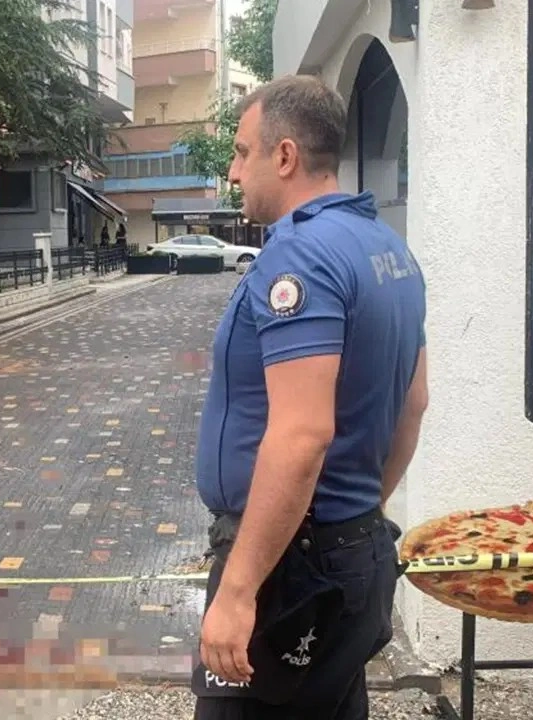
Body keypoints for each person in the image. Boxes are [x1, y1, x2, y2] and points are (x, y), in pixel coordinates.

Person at [191, 75, 428, 719]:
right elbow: (414, 403)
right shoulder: (390, 250)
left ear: (286, 156)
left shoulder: (299, 257)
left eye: (243, 153)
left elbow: (302, 434)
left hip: (290, 569)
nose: (234, 172)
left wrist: (237, 591)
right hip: (349, 549)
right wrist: (360, 514)